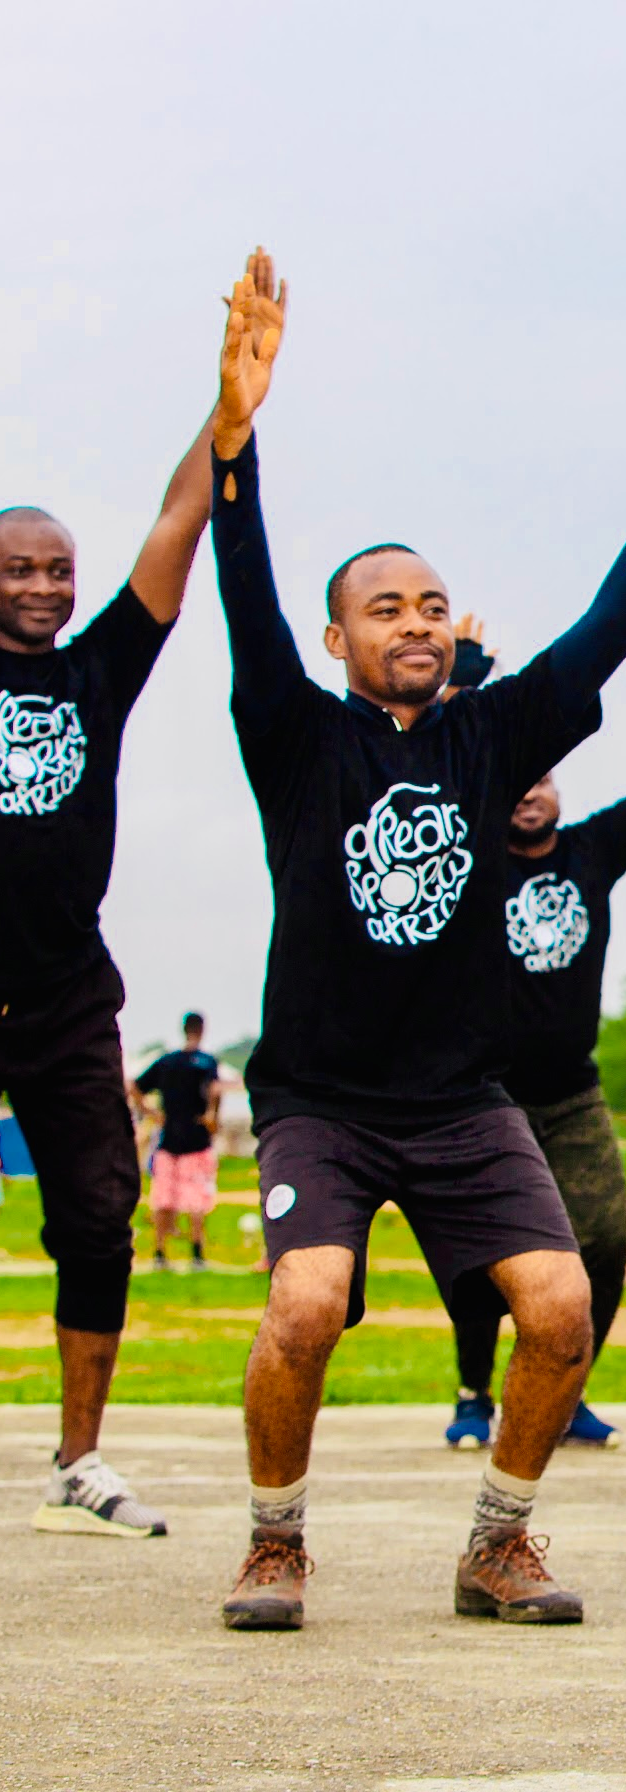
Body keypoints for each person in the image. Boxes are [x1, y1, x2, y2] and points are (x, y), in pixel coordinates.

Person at [205, 270, 626, 1633]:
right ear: (339, 641)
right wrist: (234, 442)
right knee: (310, 1303)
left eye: (434, 605)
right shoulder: (295, 735)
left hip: (463, 1099)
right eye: (386, 608)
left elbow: (607, 636)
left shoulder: (491, 735)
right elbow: (241, 593)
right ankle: (275, 1543)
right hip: (322, 1100)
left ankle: (498, 1543)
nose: (416, 622)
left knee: (565, 1307)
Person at [0, 252, 270, 1538]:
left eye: (59, 569)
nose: (47, 586)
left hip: (61, 1002)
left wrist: (228, 412)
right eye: (21, 569)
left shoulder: (98, 669)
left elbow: (178, 524)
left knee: (100, 1218)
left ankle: (76, 1459)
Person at [443, 603, 626, 1452]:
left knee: (600, 1235)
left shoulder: (591, 852)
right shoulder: (467, 846)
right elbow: (433, 769)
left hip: (568, 1092)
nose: (530, 791)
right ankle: (472, 1395)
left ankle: (567, 1387)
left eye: (544, 780)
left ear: (561, 790)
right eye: (517, 781)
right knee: (485, 1257)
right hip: (482, 1094)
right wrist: (460, 689)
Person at [132, 1011, 223, 1270]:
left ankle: (160, 1254)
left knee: (163, 1198)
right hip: (196, 1139)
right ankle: (197, 1254)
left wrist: (152, 1113)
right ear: (202, 1029)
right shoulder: (206, 1062)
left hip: (168, 1138)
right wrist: (211, 1116)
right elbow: (214, 1092)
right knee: (196, 1199)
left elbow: (135, 1086)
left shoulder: (167, 1061)